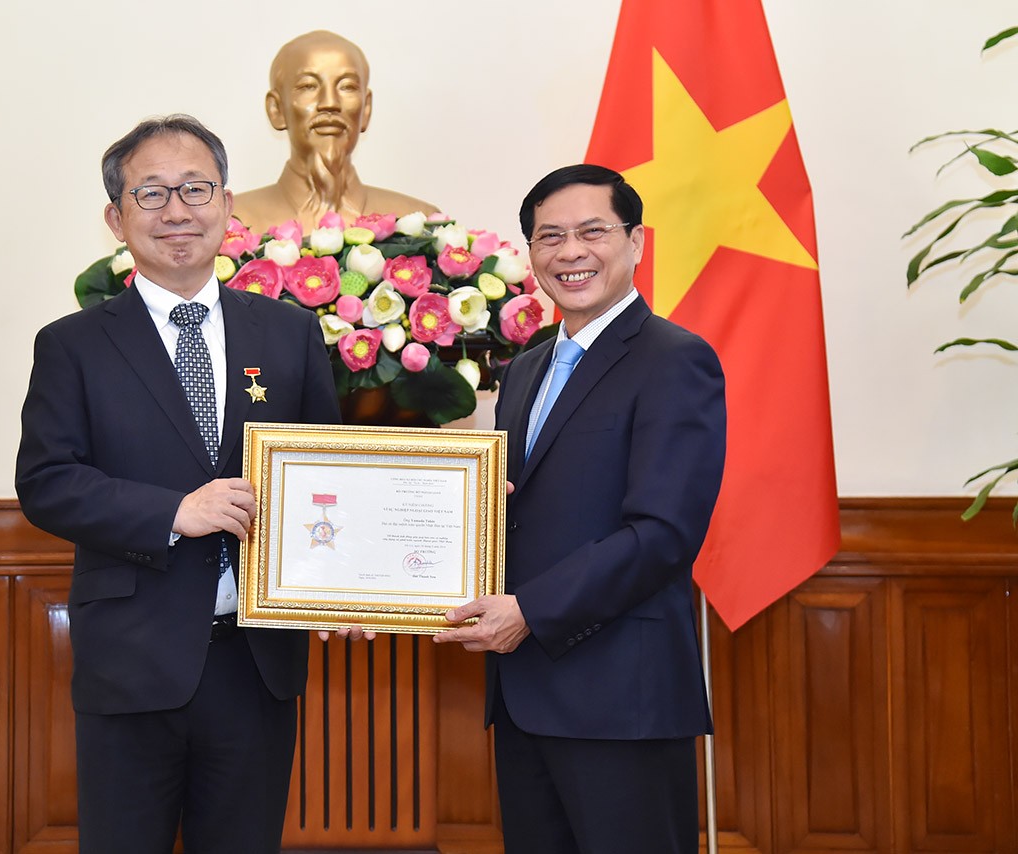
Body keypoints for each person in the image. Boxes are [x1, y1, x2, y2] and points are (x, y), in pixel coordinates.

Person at [15, 114, 341, 853]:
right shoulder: (74, 345)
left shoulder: (289, 334)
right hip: (132, 660)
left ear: (227, 205)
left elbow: (325, 471)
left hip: (257, 664)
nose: (176, 211)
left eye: (195, 189)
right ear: (116, 218)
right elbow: (45, 482)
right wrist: (174, 512)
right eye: (152, 193)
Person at [433, 164, 727, 853]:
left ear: (636, 243)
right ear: (530, 253)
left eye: (592, 232)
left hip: (622, 699)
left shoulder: (675, 360)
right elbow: (514, 508)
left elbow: (662, 534)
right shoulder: (529, 366)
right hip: (526, 694)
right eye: (549, 237)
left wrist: (532, 610)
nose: (570, 252)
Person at [232, 30, 438, 233]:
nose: (329, 103)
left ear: (366, 109)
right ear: (276, 109)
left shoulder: (420, 225)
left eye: (347, 87)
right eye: (308, 86)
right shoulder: (233, 224)